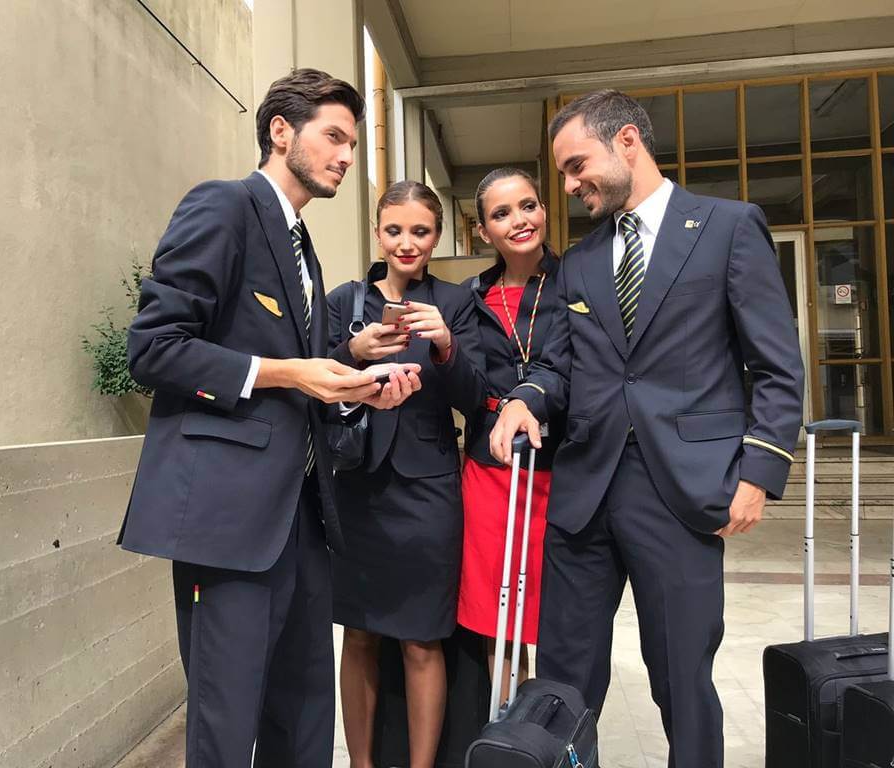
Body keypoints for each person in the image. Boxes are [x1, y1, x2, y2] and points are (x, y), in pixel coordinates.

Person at [117, 68, 422, 768]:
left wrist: (354, 376)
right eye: (335, 137)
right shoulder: (224, 206)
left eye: (353, 143)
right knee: (226, 722)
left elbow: (298, 374)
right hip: (228, 518)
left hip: (302, 517)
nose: (347, 155)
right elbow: (154, 349)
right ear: (281, 131)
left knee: (306, 715)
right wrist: (292, 372)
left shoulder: (300, 243)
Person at [490, 89, 803, 767]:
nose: (569, 186)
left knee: (682, 681)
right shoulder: (579, 261)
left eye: (576, 166)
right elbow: (557, 364)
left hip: (680, 492)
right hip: (585, 495)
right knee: (562, 684)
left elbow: (777, 365)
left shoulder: (727, 227)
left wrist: (758, 472)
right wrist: (525, 398)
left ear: (627, 141)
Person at [327, 180, 485, 768]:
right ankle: (362, 764)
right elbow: (317, 384)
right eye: (394, 230)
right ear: (377, 233)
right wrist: (353, 354)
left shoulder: (455, 303)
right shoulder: (345, 303)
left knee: (422, 638)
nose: (406, 242)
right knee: (359, 635)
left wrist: (445, 345)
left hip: (427, 493)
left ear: (436, 236)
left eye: (420, 231)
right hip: (358, 487)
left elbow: (477, 397)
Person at [456, 167, 565, 703]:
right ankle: (506, 728)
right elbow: (464, 383)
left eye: (528, 205)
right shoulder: (470, 297)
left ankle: (545, 724)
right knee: (495, 614)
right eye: (501, 214)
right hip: (491, 470)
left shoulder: (577, 282)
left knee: (556, 612)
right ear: (483, 231)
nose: (519, 220)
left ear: (543, 209)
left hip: (563, 470)